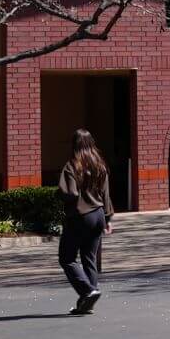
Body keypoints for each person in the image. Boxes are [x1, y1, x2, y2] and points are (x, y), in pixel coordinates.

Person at [58, 129, 113, 316]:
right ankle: (87, 301)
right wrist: (108, 219)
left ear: (74, 144)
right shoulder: (100, 165)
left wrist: (59, 195)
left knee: (67, 258)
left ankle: (88, 291)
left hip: (80, 216)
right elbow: (106, 194)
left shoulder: (72, 165)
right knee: (89, 259)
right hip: (98, 215)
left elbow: (70, 193)